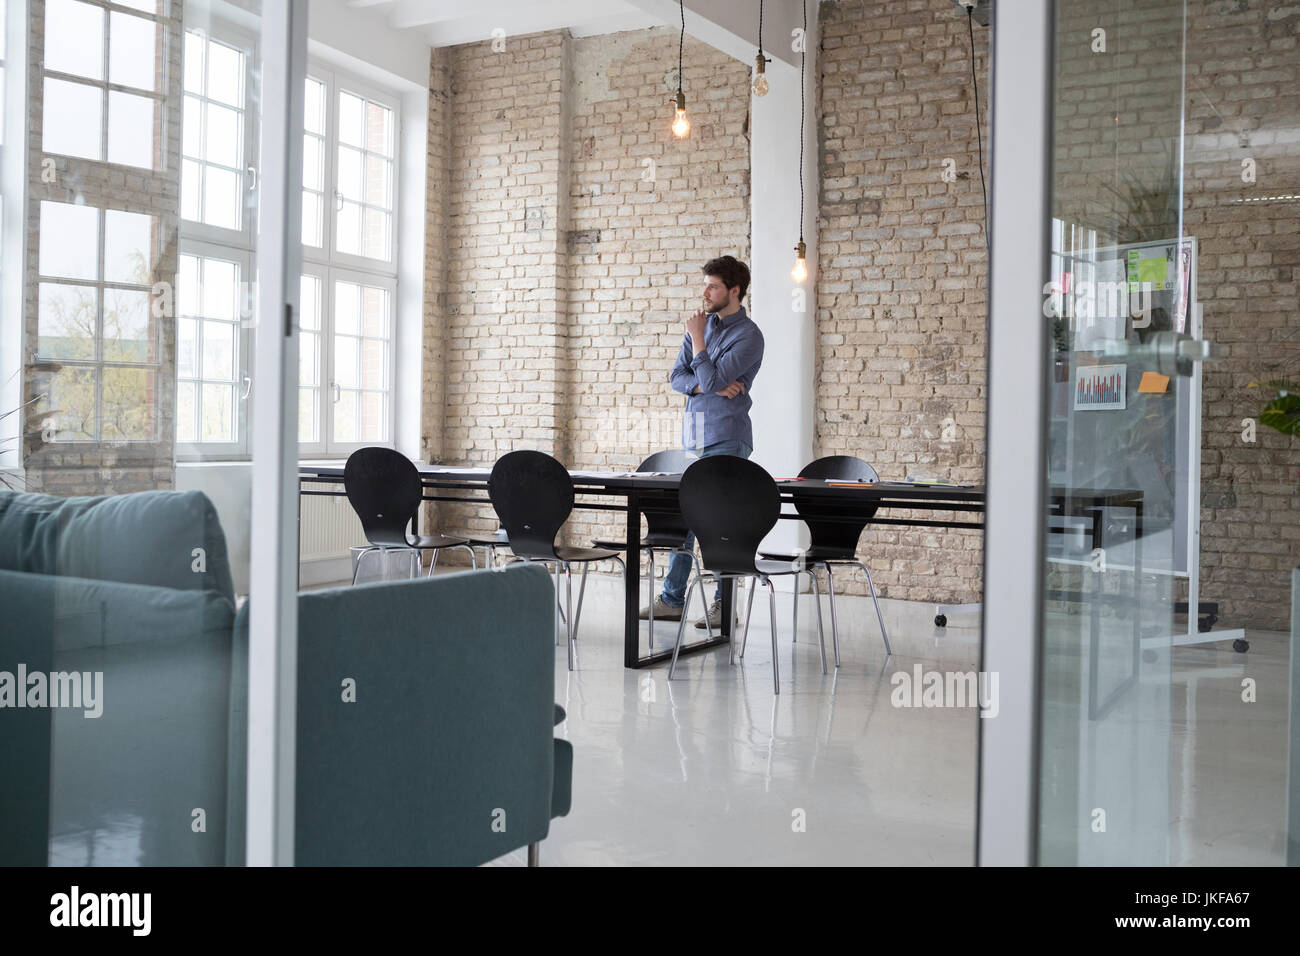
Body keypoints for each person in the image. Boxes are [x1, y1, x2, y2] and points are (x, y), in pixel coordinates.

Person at [641, 255, 764, 629]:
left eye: (712, 286)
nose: (705, 292)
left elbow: (709, 381)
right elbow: (677, 377)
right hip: (693, 438)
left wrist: (698, 342)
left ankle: (723, 605)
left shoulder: (749, 336)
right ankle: (673, 600)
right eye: (706, 284)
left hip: (728, 437)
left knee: (719, 523)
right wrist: (704, 383)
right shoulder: (702, 325)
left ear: (734, 291)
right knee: (686, 519)